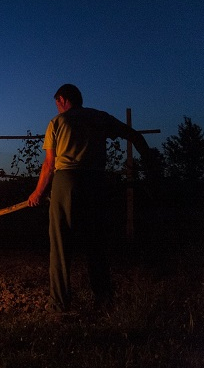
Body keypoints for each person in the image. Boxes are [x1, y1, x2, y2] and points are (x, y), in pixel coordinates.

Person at [28, 84, 152, 313]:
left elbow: (49, 164)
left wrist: (37, 193)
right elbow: (132, 135)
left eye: (56, 104)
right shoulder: (99, 117)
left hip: (67, 181)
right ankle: (104, 299)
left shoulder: (57, 122)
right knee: (96, 242)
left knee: (60, 244)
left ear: (63, 100)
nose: (56, 109)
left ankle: (59, 303)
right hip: (96, 183)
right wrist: (149, 159)